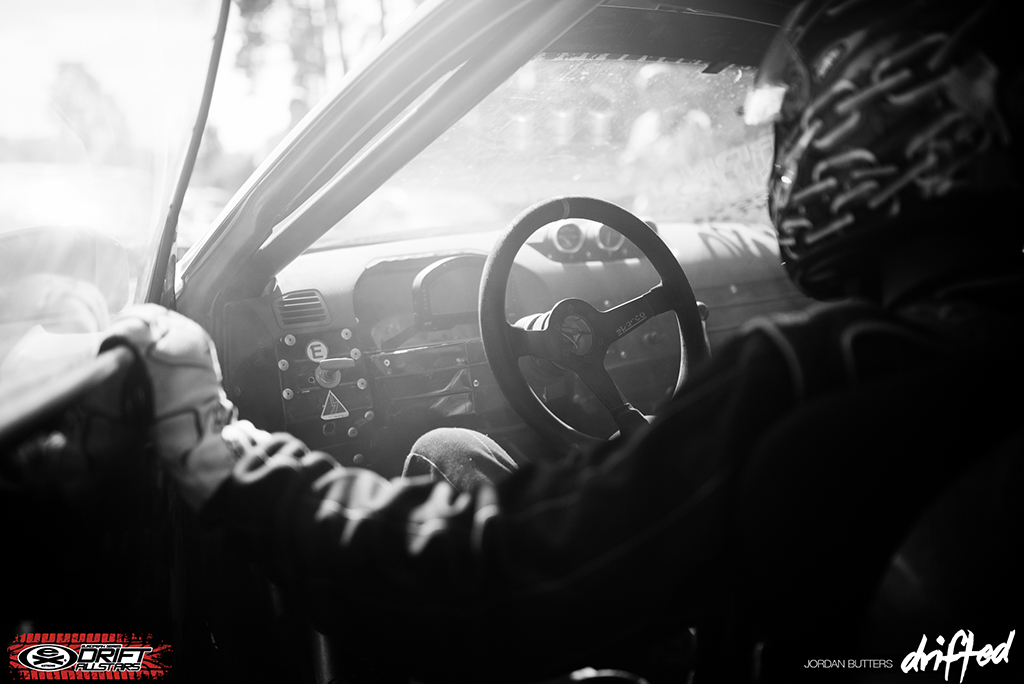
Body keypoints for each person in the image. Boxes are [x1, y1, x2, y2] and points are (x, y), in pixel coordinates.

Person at [66, 0, 1024, 681]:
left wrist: (220, 450)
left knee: (444, 458)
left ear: (857, 131)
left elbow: (487, 574)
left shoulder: (818, 376)